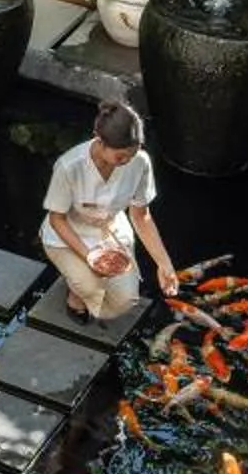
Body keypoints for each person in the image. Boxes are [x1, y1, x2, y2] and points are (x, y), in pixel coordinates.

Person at [40, 98, 179, 324]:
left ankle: (80, 279)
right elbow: (57, 219)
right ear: (100, 139)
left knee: (125, 301)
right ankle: (75, 292)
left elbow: (141, 215)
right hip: (67, 235)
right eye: (120, 156)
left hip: (110, 230)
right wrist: (89, 257)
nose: (127, 161)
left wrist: (165, 264)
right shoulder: (69, 166)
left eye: (132, 154)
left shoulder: (140, 162)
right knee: (90, 287)